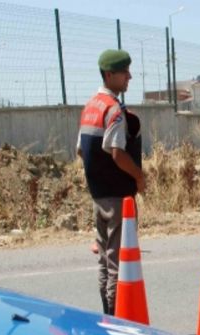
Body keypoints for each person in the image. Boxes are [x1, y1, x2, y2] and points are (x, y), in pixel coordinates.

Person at [77, 49, 147, 314]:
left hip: (98, 196)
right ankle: (118, 321)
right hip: (118, 198)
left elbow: (82, 150)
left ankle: (108, 317)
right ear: (110, 75)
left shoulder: (90, 107)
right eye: (124, 72)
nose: (129, 76)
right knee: (118, 262)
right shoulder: (113, 109)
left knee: (105, 263)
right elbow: (118, 154)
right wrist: (139, 178)